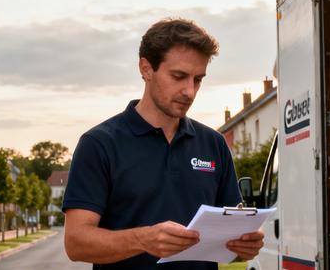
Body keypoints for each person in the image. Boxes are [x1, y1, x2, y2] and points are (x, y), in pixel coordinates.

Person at [62, 18, 266, 269]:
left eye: (198, 80)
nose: (189, 91)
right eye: (179, 76)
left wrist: (244, 247)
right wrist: (142, 239)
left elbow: (229, 247)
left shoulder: (214, 144)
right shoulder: (99, 144)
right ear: (146, 69)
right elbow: (76, 243)